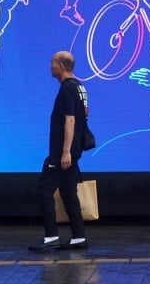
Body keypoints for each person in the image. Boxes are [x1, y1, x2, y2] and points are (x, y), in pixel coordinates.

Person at [30, 51, 90, 251]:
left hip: (63, 151)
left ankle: (51, 236)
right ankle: (78, 237)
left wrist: (65, 151)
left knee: (44, 190)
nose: (51, 66)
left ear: (62, 66)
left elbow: (70, 120)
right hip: (74, 149)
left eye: (52, 62)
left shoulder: (67, 88)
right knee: (68, 192)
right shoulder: (79, 87)